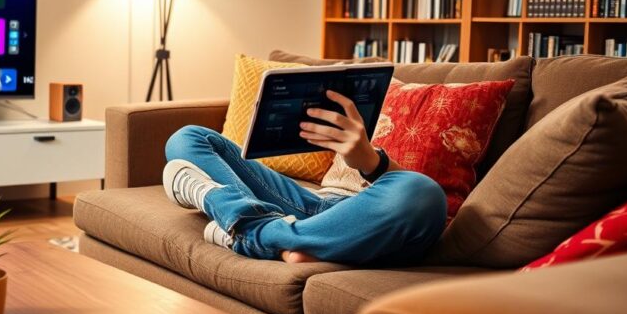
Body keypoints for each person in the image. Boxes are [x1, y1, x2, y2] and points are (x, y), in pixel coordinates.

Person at [163, 90, 446, 266]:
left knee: (423, 192)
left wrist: (373, 163)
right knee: (189, 137)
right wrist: (367, 159)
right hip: (319, 205)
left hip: (371, 218)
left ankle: (243, 227)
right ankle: (274, 231)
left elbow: (405, 195)